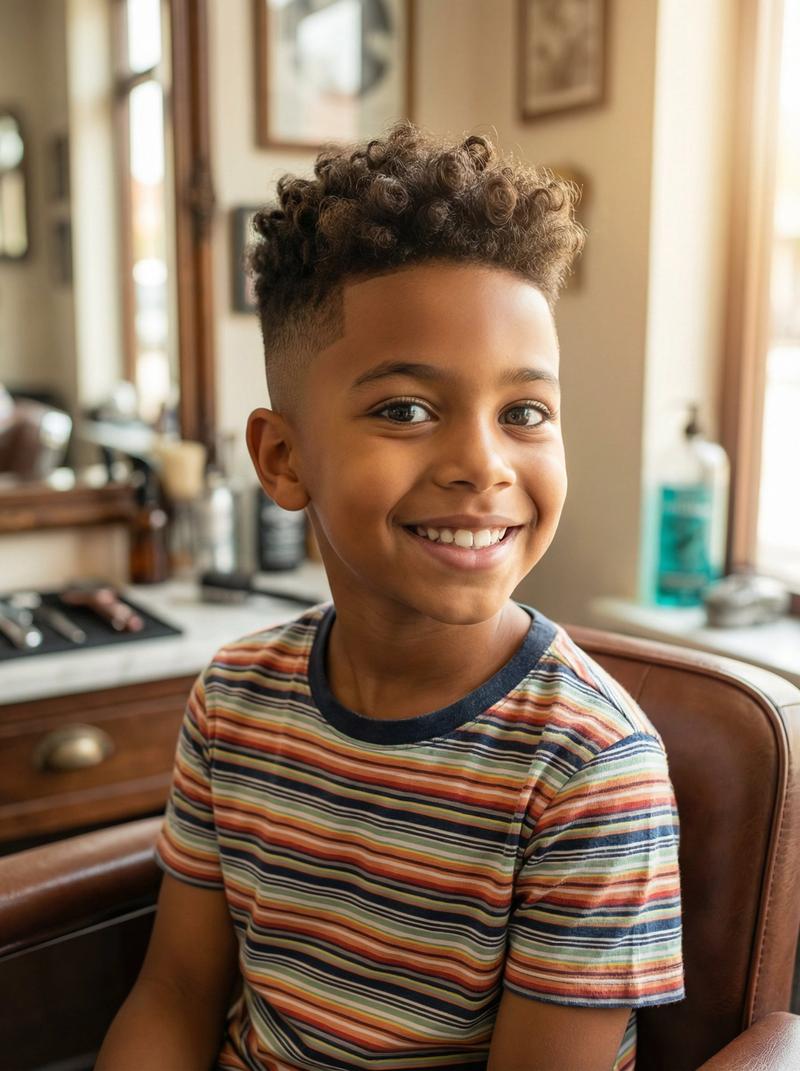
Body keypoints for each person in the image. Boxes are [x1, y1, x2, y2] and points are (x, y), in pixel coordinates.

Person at [95, 120, 685, 1071]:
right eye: (405, 408)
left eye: (524, 412)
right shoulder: (236, 696)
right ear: (284, 460)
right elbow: (174, 994)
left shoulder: (589, 770)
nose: (483, 465)